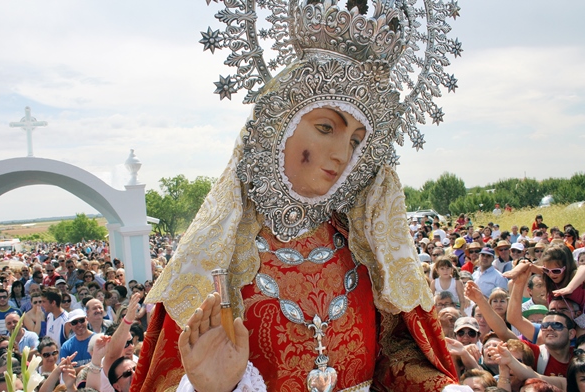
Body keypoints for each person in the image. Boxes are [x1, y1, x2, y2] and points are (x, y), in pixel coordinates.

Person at [132, 2, 460, 391]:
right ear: (279, 126)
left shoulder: (365, 248)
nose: (342, 155)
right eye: (325, 127)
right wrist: (214, 387)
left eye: (357, 140)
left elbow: (397, 361)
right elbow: (167, 377)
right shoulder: (217, 260)